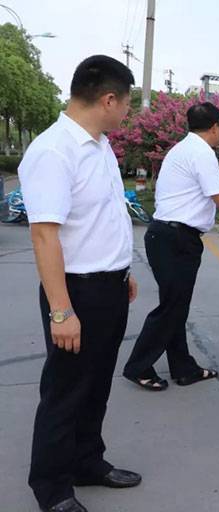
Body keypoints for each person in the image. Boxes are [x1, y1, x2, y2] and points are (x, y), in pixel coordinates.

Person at [20, 55, 141, 512]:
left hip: (109, 286)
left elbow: (100, 217)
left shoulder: (100, 145)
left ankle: (87, 461)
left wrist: (121, 271)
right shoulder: (54, 151)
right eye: (127, 103)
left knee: (96, 384)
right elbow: (44, 235)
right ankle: (52, 488)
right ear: (108, 99)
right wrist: (61, 310)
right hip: (75, 293)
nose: (127, 111)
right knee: (66, 391)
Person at [122, 103, 219, 391]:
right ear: (216, 127)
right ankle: (138, 366)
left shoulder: (181, 149)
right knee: (172, 308)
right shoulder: (202, 153)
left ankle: (183, 367)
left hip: (166, 236)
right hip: (176, 239)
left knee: (176, 306)